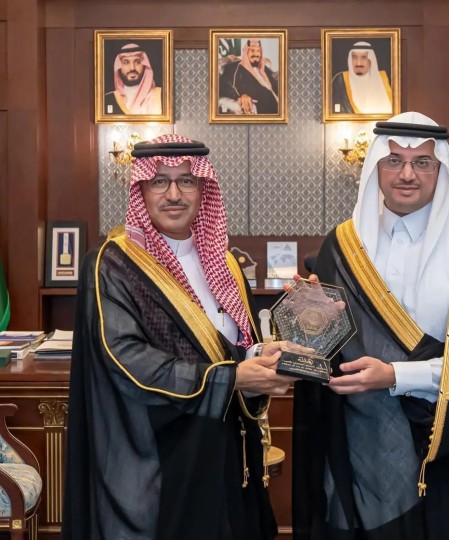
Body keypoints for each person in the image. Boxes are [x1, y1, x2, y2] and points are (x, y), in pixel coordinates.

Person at [292, 112, 449, 539]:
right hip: (358, 449)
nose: (407, 174)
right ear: (376, 167)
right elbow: (321, 353)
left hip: (447, 443)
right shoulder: (343, 245)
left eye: (422, 162)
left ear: (441, 169)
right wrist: (305, 316)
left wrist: (396, 375)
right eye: (394, 160)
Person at [65, 134, 295, 539]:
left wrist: (264, 356)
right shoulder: (113, 264)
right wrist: (232, 378)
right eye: (159, 181)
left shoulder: (226, 264)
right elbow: (127, 359)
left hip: (227, 455)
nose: (173, 194)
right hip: (161, 459)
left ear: (203, 188)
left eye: (186, 181)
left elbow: (233, 348)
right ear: (141, 190)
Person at [329, 41, 394, 115]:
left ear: (371, 60)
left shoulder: (385, 79)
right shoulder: (340, 80)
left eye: (364, 57)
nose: (358, 63)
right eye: (354, 57)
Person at [218, 39, 280, 115]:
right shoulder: (234, 67)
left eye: (258, 51)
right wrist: (241, 96)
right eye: (252, 50)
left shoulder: (265, 69)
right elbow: (225, 86)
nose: (256, 54)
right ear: (246, 52)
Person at [103, 42, 162, 116]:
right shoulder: (108, 99)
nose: (132, 68)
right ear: (119, 66)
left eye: (137, 62)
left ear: (145, 65)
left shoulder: (161, 96)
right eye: (126, 62)